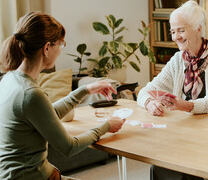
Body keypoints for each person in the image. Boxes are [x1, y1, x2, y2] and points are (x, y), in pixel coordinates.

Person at [0, 12, 125, 180]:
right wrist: (106, 126)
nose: (61, 49)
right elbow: (69, 147)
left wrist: (86, 89)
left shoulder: (10, 79)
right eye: (60, 44)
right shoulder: (30, 93)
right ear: (46, 48)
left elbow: (46, 115)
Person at [137, 0, 208, 180]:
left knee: (189, 172)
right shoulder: (178, 59)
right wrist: (150, 103)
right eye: (173, 32)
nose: (176, 37)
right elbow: (146, 91)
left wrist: (185, 106)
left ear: (198, 28)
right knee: (159, 166)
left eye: (181, 30)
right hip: (186, 133)